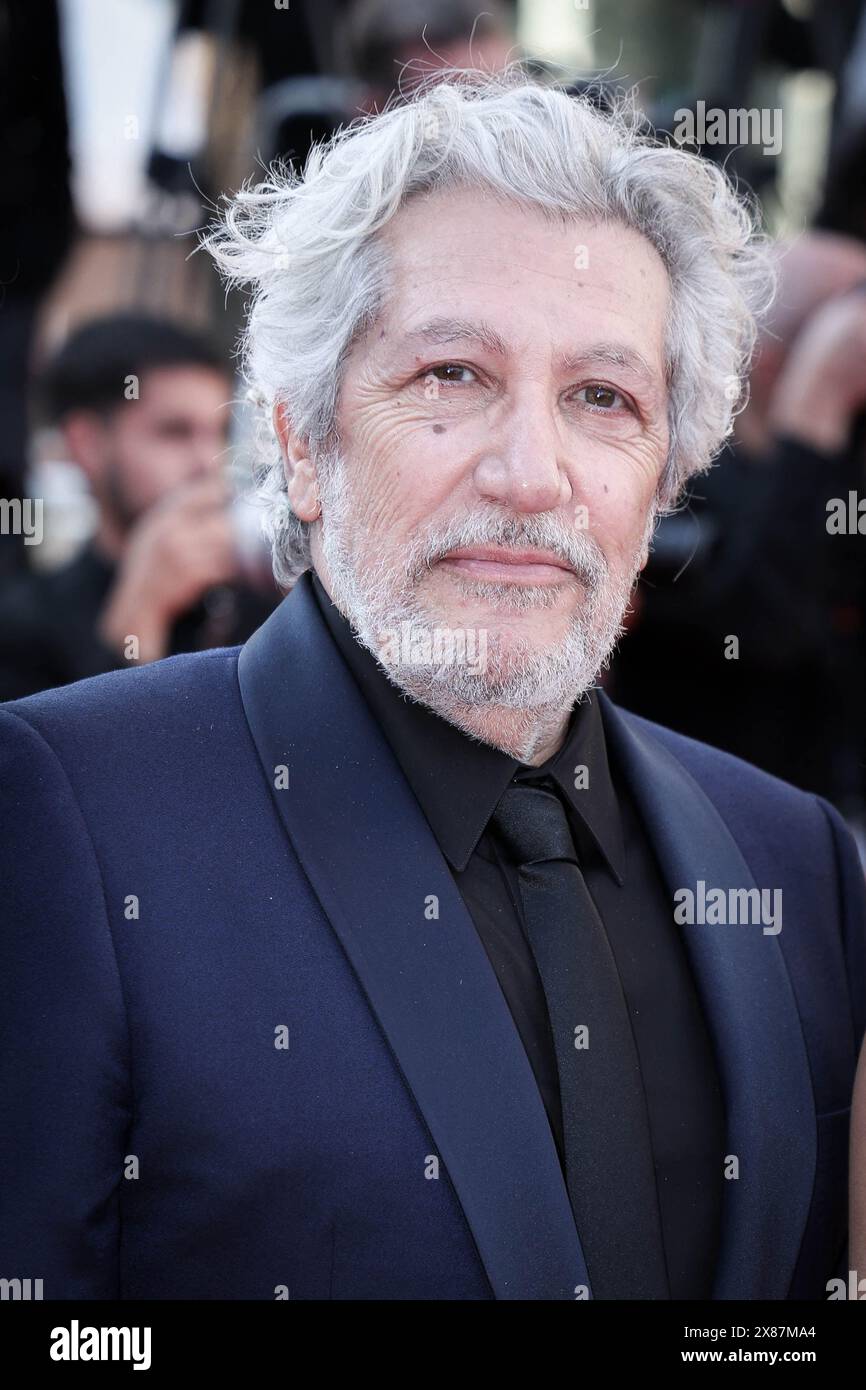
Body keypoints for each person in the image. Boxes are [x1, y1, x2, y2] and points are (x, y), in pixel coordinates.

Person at [1, 69, 863, 1301]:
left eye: (600, 398)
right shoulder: (65, 814)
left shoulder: (795, 867)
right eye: (451, 375)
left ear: (664, 475)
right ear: (302, 438)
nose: (529, 472)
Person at [0, 315, 279, 700]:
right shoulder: (25, 629)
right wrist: (137, 625)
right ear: (87, 444)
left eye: (216, 433)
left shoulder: (256, 601)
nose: (208, 463)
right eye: (174, 432)